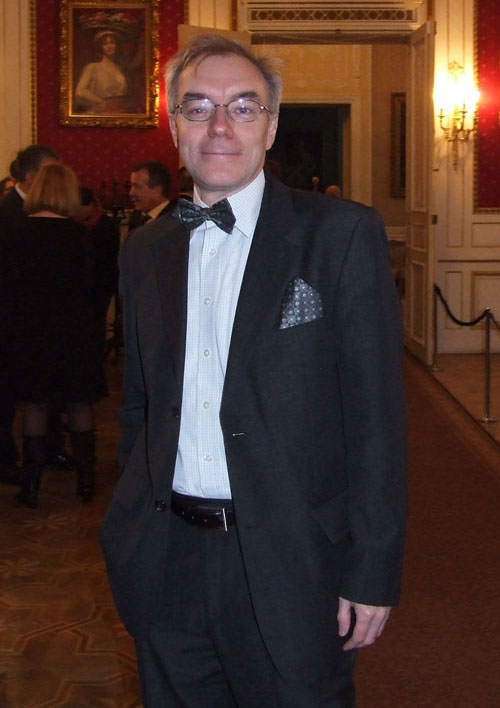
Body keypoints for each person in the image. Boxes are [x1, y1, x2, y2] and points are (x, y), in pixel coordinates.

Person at [100, 34, 407, 708]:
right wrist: (131, 526)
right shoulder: (145, 248)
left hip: (293, 561)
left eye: (243, 107)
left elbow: (377, 421)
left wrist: (373, 567)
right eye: (198, 107)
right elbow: (141, 406)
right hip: (167, 559)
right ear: (175, 125)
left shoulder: (340, 235)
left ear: (270, 126)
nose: (219, 126)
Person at [13, 164, 101, 508]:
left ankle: (31, 486)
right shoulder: (80, 236)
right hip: (74, 331)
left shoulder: (16, 233)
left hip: (31, 331)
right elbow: (92, 288)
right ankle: (86, 483)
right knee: (79, 404)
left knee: (35, 406)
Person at [0, 145, 65, 486]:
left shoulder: (47, 211)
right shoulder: (7, 212)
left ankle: (48, 450)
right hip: (11, 319)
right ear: (30, 177)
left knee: (45, 388)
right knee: (7, 395)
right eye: (50, 172)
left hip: (40, 321)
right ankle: (5, 460)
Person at [77, 186, 120, 387]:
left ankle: (94, 371)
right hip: (82, 287)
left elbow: (108, 259)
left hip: (100, 286)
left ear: (89, 206)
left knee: (96, 328)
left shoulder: (106, 225)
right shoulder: (74, 225)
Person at [74, 29, 139, 114]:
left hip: (120, 111)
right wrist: (102, 102)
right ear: (100, 48)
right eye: (105, 44)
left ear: (116, 45)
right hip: (101, 112)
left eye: (112, 43)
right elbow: (80, 91)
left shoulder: (120, 69)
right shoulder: (93, 67)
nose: (109, 46)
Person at [127, 160, 172, 231]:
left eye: (137, 186)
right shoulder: (136, 218)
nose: (131, 193)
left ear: (157, 191)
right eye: (131, 186)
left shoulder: (175, 221)